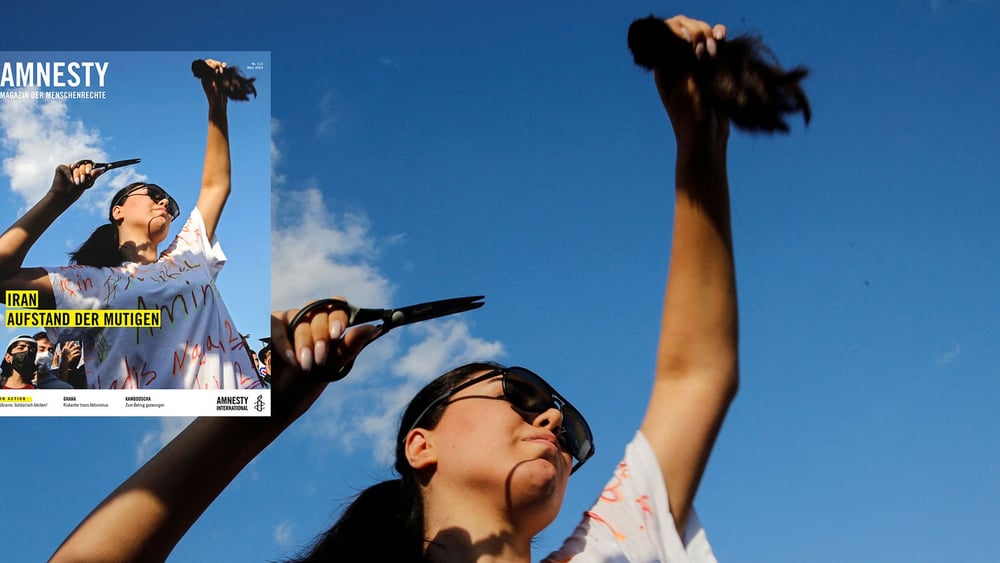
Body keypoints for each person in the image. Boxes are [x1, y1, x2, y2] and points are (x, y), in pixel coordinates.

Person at [52, 15, 737, 561]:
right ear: (420, 446)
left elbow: (696, 376)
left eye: (568, 426)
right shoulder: (85, 287)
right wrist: (256, 416)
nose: (553, 421)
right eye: (520, 395)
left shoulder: (614, 550)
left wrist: (701, 148)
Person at [0, 59, 261, 390]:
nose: (164, 203)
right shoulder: (88, 283)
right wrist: (57, 199)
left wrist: (217, 104)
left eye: (170, 203)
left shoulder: (189, 254)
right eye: (152, 194)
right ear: (118, 211)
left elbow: (216, 186)